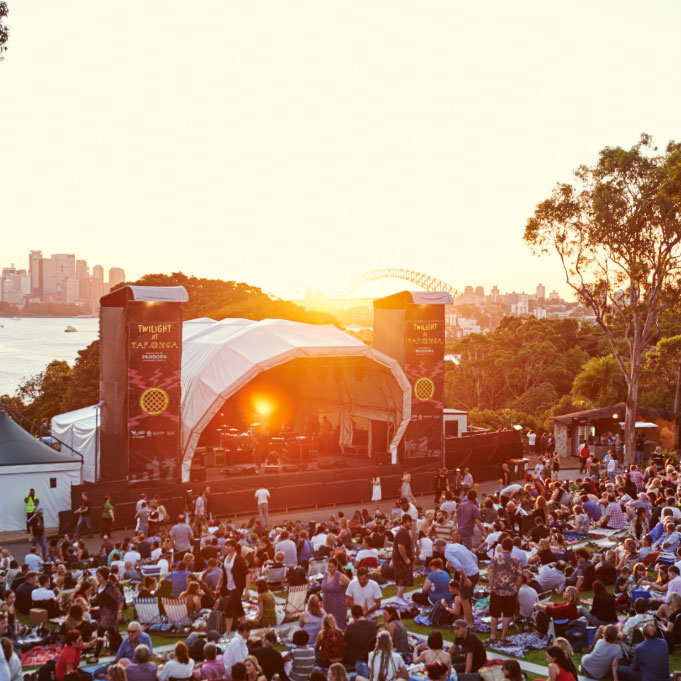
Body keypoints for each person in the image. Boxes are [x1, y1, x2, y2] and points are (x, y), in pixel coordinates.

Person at [487, 537, 522, 645]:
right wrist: (516, 588)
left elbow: (491, 573)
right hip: (511, 591)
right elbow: (520, 577)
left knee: (494, 614)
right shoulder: (516, 559)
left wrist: (491, 587)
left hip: (497, 590)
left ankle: (493, 636)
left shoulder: (496, 557)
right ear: (512, 547)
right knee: (507, 615)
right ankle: (503, 638)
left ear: (502, 546)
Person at [91, 567, 125, 661]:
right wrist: (93, 599)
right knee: (113, 633)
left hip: (111, 613)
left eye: (99, 576)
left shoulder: (111, 587)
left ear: (104, 576)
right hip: (104, 613)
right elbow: (99, 595)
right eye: (97, 576)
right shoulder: (100, 586)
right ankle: (126, 648)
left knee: (100, 631)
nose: (97, 578)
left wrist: (119, 612)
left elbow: (120, 599)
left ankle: (96, 656)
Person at [444, 542, 480, 626]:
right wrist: (474, 566)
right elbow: (474, 556)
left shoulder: (448, 553)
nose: (453, 572)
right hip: (475, 572)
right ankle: (468, 620)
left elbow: (458, 566)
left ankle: (470, 624)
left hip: (469, 575)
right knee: (468, 599)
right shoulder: (457, 546)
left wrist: (465, 578)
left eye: (451, 569)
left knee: (465, 601)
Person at [217, 538, 247, 632]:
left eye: (228, 545)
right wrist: (219, 583)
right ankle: (245, 629)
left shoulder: (238, 558)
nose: (226, 547)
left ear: (234, 547)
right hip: (229, 586)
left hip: (237, 587)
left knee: (228, 608)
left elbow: (247, 573)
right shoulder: (226, 556)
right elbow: (223, 570)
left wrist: (246, 589)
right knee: (239, 609)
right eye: (226, 545)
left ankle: (228, 631)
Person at [343, 605, 377, 674]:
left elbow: (344, 644)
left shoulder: (350, 628)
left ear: (353, 616)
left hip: (354, 659)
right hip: (371, 658)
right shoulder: (375, 624)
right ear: (362, 613)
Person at [321, 557, 350, 629]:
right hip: (327, 604)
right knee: (327, 623)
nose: (329, 568)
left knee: (339, 625)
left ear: (336, 567)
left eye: (331, 567)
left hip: (338, 604)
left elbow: (351, 585)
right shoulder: (326, 574)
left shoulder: (340, 577)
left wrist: (346, 595)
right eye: (328, 567)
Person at [392, 514, 414, 601]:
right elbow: (400, 546)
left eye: (411, 522)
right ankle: (398, 598)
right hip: (402, 561)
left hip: (398, 560)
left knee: (400, 580)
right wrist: (406, 559)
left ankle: (400, 597)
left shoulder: (401, 531)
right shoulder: (403, 533)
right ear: (404, 522)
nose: (411, 524)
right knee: (405, 580)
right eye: (409, 522)